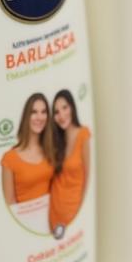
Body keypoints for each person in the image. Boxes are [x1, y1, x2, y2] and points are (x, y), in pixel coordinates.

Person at [1, 93, 58, 206]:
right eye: (34, 112)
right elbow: (10, 204)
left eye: (43, 112)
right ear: (26, 116)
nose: (40, 117)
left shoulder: (50, 151)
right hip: (25, 221)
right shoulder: (10, 158)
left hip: (52, 219)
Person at [49, 89, 91, 239]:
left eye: (65, 108)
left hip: (74, 208)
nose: (61, 115)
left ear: (72, 107)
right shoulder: (56, 141)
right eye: (56, 112)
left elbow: (88, 176)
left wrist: (82, 207)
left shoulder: (83, 134)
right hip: (54, 210)